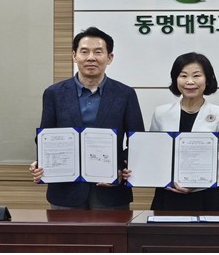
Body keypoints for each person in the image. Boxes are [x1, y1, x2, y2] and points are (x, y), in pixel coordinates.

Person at [29, 26, 145, 210]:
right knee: (65, 231)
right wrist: (42, 162)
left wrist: (120, 170)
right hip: (65, 189)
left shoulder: (125, 94)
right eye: (84, 51)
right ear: (74, 56)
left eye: (98, 52)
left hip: (111, 190)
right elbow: (45, 137)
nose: (91, 57)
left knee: (113, 231)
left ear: (110, 58)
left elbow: (138, 140)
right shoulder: (54, 93)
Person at [149, 52, 219, 211]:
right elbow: (153, 150)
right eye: (183, 76)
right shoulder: (161, 113)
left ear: (207, 79)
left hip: (205, 193)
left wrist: (196, 183)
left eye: (196, 75)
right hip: (168, 192)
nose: (190, 81)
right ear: (175, 79)